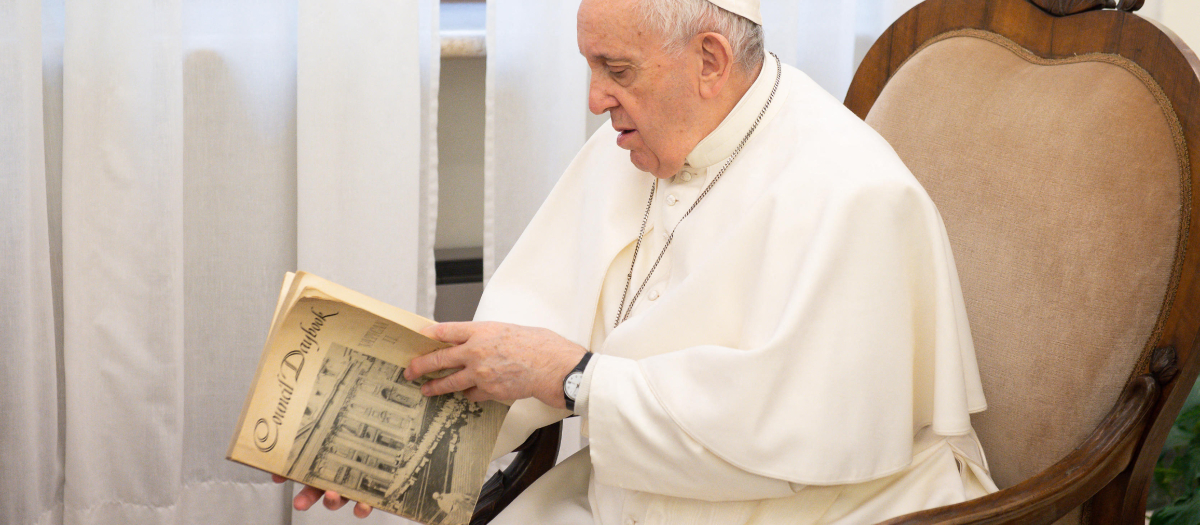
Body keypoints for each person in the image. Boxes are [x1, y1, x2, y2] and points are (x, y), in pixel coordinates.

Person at [286, 0, 999, 522]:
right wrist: (381, 440)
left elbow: (787, 440)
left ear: (710, 61)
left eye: (615, 69)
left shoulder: (857, 196)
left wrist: (573, 377)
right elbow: (516, 343)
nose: (595, 98)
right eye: (590, 65)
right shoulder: (631, 145)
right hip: (633, 491)